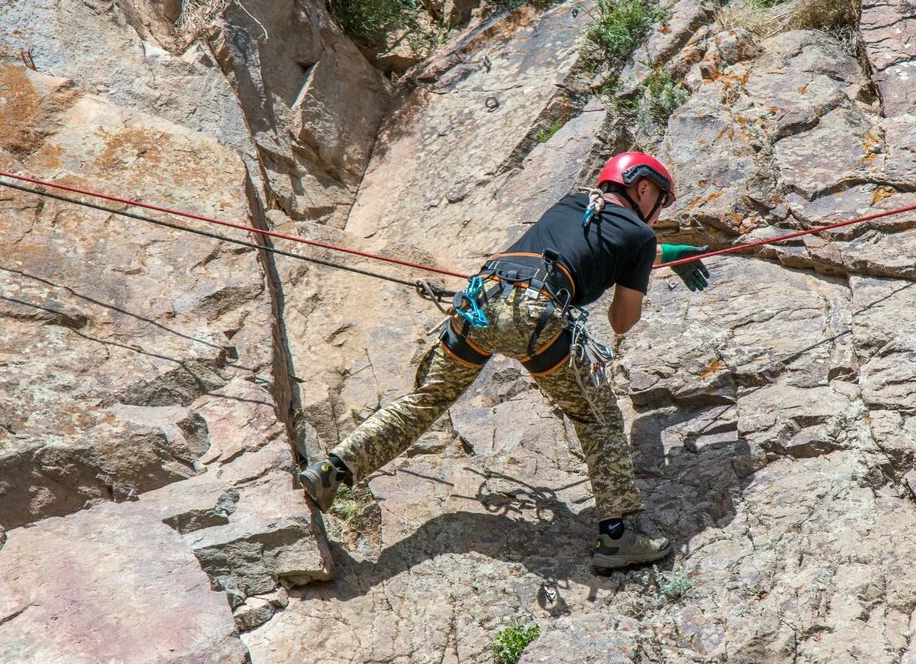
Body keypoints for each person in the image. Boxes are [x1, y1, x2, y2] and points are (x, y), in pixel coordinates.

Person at [298, 151, 710, 569]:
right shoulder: (639, 238)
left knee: (428, 399)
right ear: (643, 188)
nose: (657, 213)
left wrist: (664, 254)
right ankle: (616, 537)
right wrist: (645, 267)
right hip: (534, 315)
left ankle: (333, 470)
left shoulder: (571, 202)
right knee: (596, 417)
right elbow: (622, 321)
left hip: (482, 296)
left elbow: (598, 243)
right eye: (660, 200)